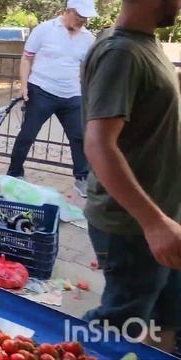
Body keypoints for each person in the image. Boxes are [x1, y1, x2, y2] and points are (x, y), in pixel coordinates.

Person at [81, 0, 181, 353]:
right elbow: (99, 145)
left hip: (163, 219)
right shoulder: (121, 53)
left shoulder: (142, 44)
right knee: (115, 328)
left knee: (167, 317)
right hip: (133, 228)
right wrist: (154, 223)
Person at [7, 0, 96, 198]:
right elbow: (27, 57)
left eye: (86, 18)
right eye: (80, 17)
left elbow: (88, 68)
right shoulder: (44, 29)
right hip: (42, 91)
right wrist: (24, 86)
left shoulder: (88, 38)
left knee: (79, 137)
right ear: (68, 11)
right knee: (27, 134)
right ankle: (14, 173)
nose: (83, 21)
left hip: (72, 95)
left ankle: (82, 178)